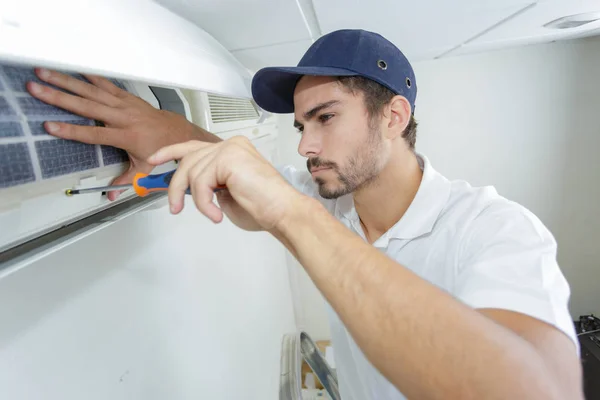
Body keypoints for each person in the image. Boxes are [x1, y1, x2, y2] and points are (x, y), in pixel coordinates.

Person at [26, 29, 582, 399]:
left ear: (393, 116)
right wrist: (151, 125)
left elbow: (540, 390)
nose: (304, 147)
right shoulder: (331, 199)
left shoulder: (493, 229)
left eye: (325, 118)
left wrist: (291, 213)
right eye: (300, 126)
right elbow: (229, 169)